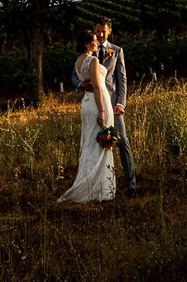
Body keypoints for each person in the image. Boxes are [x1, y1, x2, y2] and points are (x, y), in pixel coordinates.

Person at [72, 17, 136, 195]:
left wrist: (121, 103)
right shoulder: (87, 53)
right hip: (95, 103)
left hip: (112, 104)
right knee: (95, 143)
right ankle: (99, 183)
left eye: (103, 31)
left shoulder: (116, 51)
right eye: (97, 31)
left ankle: (131, 184)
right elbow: (74, 76)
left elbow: (122, 80)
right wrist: (80, 85)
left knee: (122, 141)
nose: (99, 35)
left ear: (109, 31)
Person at [57, 29, 117, 203]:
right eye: (94, 41)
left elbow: (85, 83)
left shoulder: (78, 61)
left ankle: (92, 183)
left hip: (87, 103)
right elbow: (97, 87)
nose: (97, 43)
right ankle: (100, 189)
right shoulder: (93, 60)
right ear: (86, 44)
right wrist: (103, 111)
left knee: (91, 142)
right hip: (99, 102)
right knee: (101, 143)